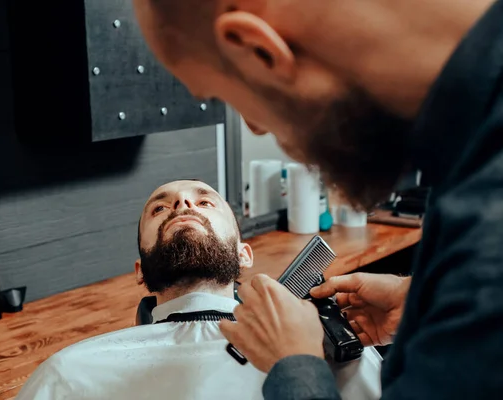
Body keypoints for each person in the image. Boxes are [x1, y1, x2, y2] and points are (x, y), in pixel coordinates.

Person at [132, 0, 503, 398]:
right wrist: (427, 298)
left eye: (230, 99)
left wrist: (295, 365)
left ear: (257, 50)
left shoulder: (484, 253)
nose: (256, 129)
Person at [16, 180, 382, 399]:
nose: (183, 204)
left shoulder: (335, 355)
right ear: (141, 272)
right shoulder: (71, 374)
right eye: (160, 208)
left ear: (244, 255)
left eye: (205, 201)